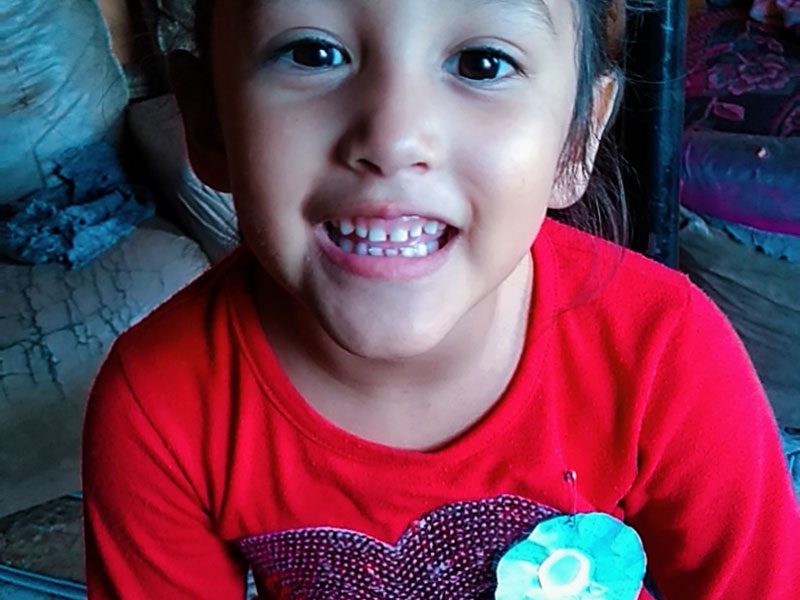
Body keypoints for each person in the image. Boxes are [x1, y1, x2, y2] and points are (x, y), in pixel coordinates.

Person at [81, 0, 800, 598]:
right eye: (312, 53)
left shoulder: (666, 352)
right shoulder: (158, 406)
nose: (393, 138)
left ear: (576, 138)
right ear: (207, 120)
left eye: (483, 63)